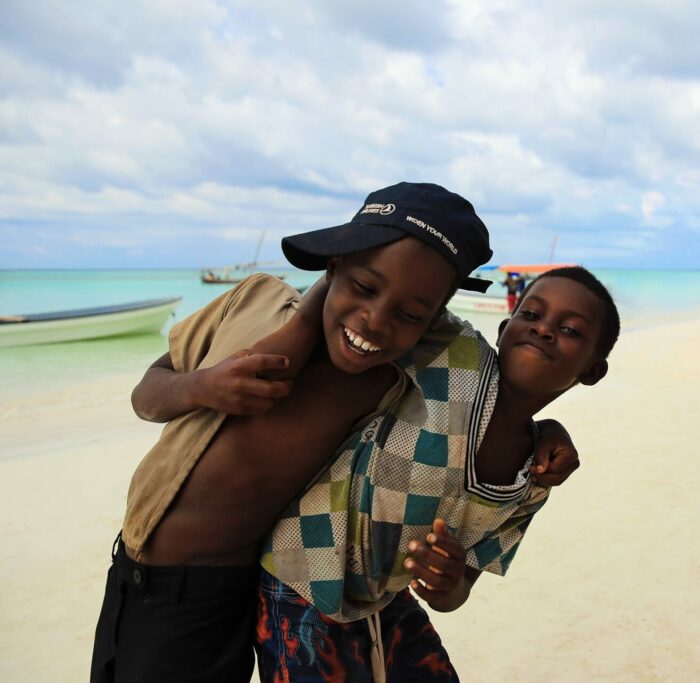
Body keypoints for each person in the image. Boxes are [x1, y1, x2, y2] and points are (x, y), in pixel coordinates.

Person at [89, 182, 580, 683]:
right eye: (363, 287)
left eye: (412, 314)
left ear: (435, 318)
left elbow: (498, 393)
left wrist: (543, 430)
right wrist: (201, 387)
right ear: (333, 265)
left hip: (215, 595)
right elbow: (146, 395)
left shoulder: (388, 375)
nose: (374, 319)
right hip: (129, 565)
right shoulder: (251, 302)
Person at [256, 265, 621, 682]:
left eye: (570, 330)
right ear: (504, 328)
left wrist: (447, 584)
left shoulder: (533, 480)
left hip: (384, 598)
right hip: (299, 575)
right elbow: (399, 294)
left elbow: (458, 593)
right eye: (531, 315)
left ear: (592, 370)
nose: (543, 330)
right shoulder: (456, 353)